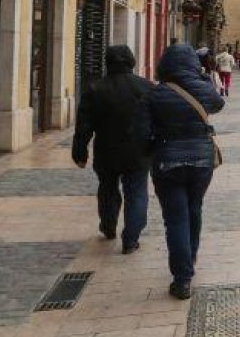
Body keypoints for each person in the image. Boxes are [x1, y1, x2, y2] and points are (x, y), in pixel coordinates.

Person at [137, 44, 225, 299]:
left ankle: (182, 278)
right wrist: (201, 78)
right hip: (201, 161)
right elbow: (218, 104)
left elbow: (142, 133)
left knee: (175, 218)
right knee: (194, 209)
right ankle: (190, 258)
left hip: (167, 163)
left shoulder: (155, 94)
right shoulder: (202, 88)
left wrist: (151, 153)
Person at [72, 46, 153, 254]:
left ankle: (108, 226)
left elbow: (84, 126)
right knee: (136, 192)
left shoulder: (94, 89)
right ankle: (131, 239)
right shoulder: (146, 87)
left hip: (106, 151)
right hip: (138, 151)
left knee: (107, 189)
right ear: (131, 62)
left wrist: (79, 153)